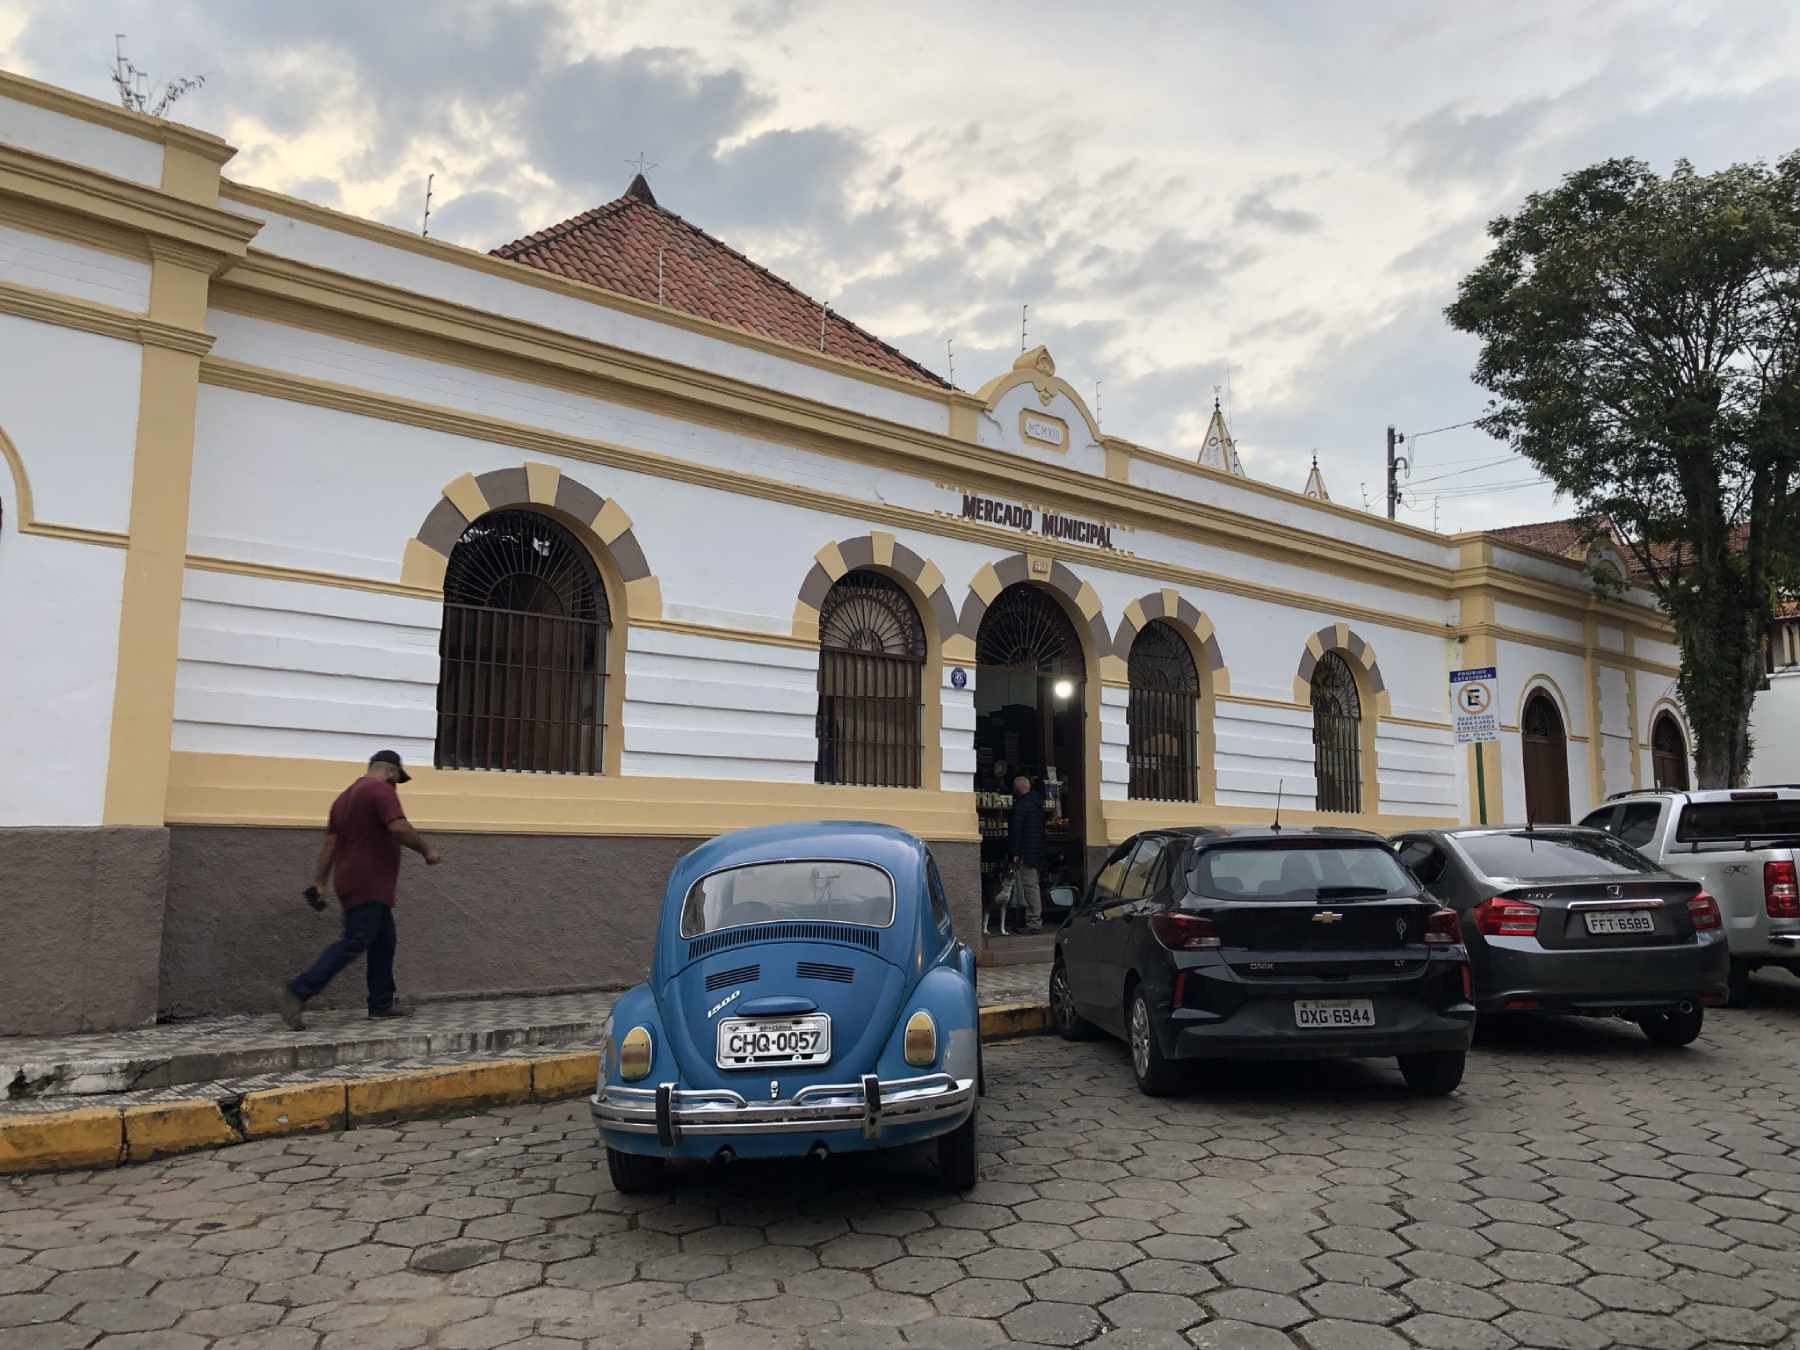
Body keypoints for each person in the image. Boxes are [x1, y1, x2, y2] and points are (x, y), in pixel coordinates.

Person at [278, 750, 439, 1029]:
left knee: (384, 940)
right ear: (390, 771)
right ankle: (298, 990)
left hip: (351, 880)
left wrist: (320, 881)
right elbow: (398, 827)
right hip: (370, 881)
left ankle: (381, 1003)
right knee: (355, 939)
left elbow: (330, 843)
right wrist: (426, 850)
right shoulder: (380, 790)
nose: (395, 785)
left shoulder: (344, 798)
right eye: (397, 779)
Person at [1008, 774, 1046, 934]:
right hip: (1037, 850)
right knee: (1032, 886)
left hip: (1026, 852)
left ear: (1017, 789)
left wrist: (1015, 853)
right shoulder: (1037, 804)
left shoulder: (1022, 805)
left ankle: (1034, 922)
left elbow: (1017, 831)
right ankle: (1031, 919)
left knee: (1030, 887)